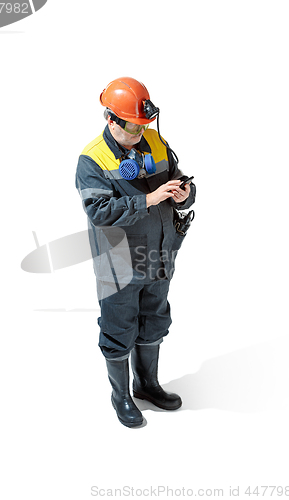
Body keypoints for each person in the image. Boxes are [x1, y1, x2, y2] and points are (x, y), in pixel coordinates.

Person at [75, 77, 196, 428]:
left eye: (144, 124)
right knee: (119, 326)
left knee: (155, 319)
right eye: (131, 125)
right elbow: (98, 212)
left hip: (159, 254)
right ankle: (121, 395)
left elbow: (181, 180)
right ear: (110, 119)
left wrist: (183, 194)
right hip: (118, 263)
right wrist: (148, 199)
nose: (139, 132)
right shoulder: (91, 159)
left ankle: (147, 384)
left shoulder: (155, 142)